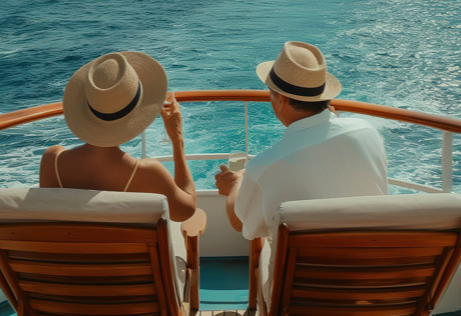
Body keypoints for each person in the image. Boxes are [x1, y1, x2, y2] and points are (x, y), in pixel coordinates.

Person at [215, 41, 388, 239]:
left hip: (310, 268)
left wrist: (234, 184)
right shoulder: (367, 131)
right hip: (375, 258)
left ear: (281, 98)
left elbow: (241, 224)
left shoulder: (265, 166)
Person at [40, 51, 196, 222]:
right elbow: (186, 211)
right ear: (136, 114)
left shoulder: (52, 161)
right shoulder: (148, 173)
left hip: (70, 248)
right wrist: (177, 140)